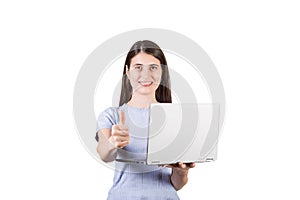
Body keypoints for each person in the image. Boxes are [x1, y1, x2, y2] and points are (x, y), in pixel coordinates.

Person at [95, 40, 195, 199]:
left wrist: (181, 171)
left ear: (162, 72)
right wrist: (112, 143)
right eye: (138, 67)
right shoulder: (111, 115)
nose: (145, 75)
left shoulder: (174, 118)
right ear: (127, 72)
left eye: (153, 68)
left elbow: (177, 184)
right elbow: (104, 153)